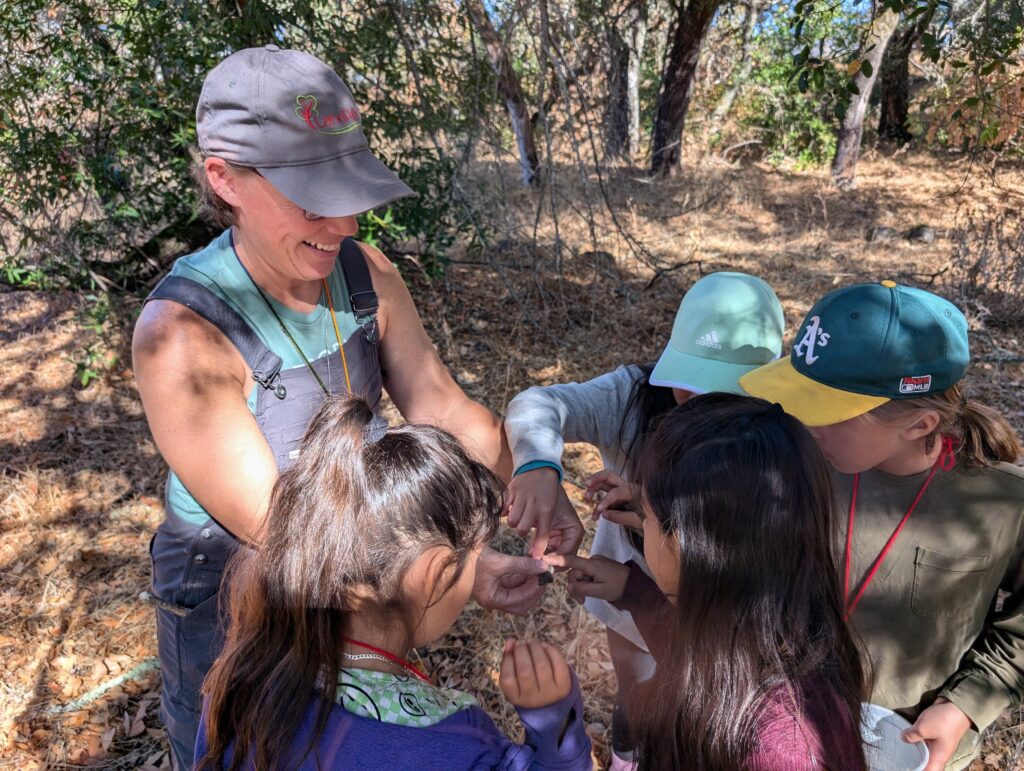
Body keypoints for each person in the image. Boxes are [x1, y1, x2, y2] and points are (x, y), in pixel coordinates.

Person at [132, 46, 576, 769]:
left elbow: (443, 406)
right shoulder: (182, 335)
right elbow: (285, 533)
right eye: (312, 201)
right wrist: (457, 570)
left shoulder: (364, 274)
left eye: (349, 194)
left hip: (358, 581)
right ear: (225, 178)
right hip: (237, 588)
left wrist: (533, 474)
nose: (342, 224)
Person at [194, 396, 592, 771]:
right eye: (474, 557)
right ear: (436, 576)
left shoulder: (241, 679)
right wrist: (556, 723)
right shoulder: (454, 744)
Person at [503, 272, 785, 768]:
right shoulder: (634, 395)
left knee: (703, 705)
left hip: (722, 613)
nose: (700, 407)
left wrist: (651, 502)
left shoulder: (775, 426)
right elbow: (540, 403)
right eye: (690, 386)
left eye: (722, 395)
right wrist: (537, 466)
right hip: (627, 595)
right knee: (637, 691)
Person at [740, 280, 1024, 771]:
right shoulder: (796, 465)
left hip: (909, 743)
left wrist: (964, 707)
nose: (804, 423)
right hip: (788, 733)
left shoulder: (1005, 505)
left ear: (920, 426)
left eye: (828, 412)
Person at [550, 393, 868, 770]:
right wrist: (632, 590)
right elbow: (702, 653)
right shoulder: (774, 629)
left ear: (689, 548)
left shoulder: (780, 751)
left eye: (646, 516)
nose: (639, 522)